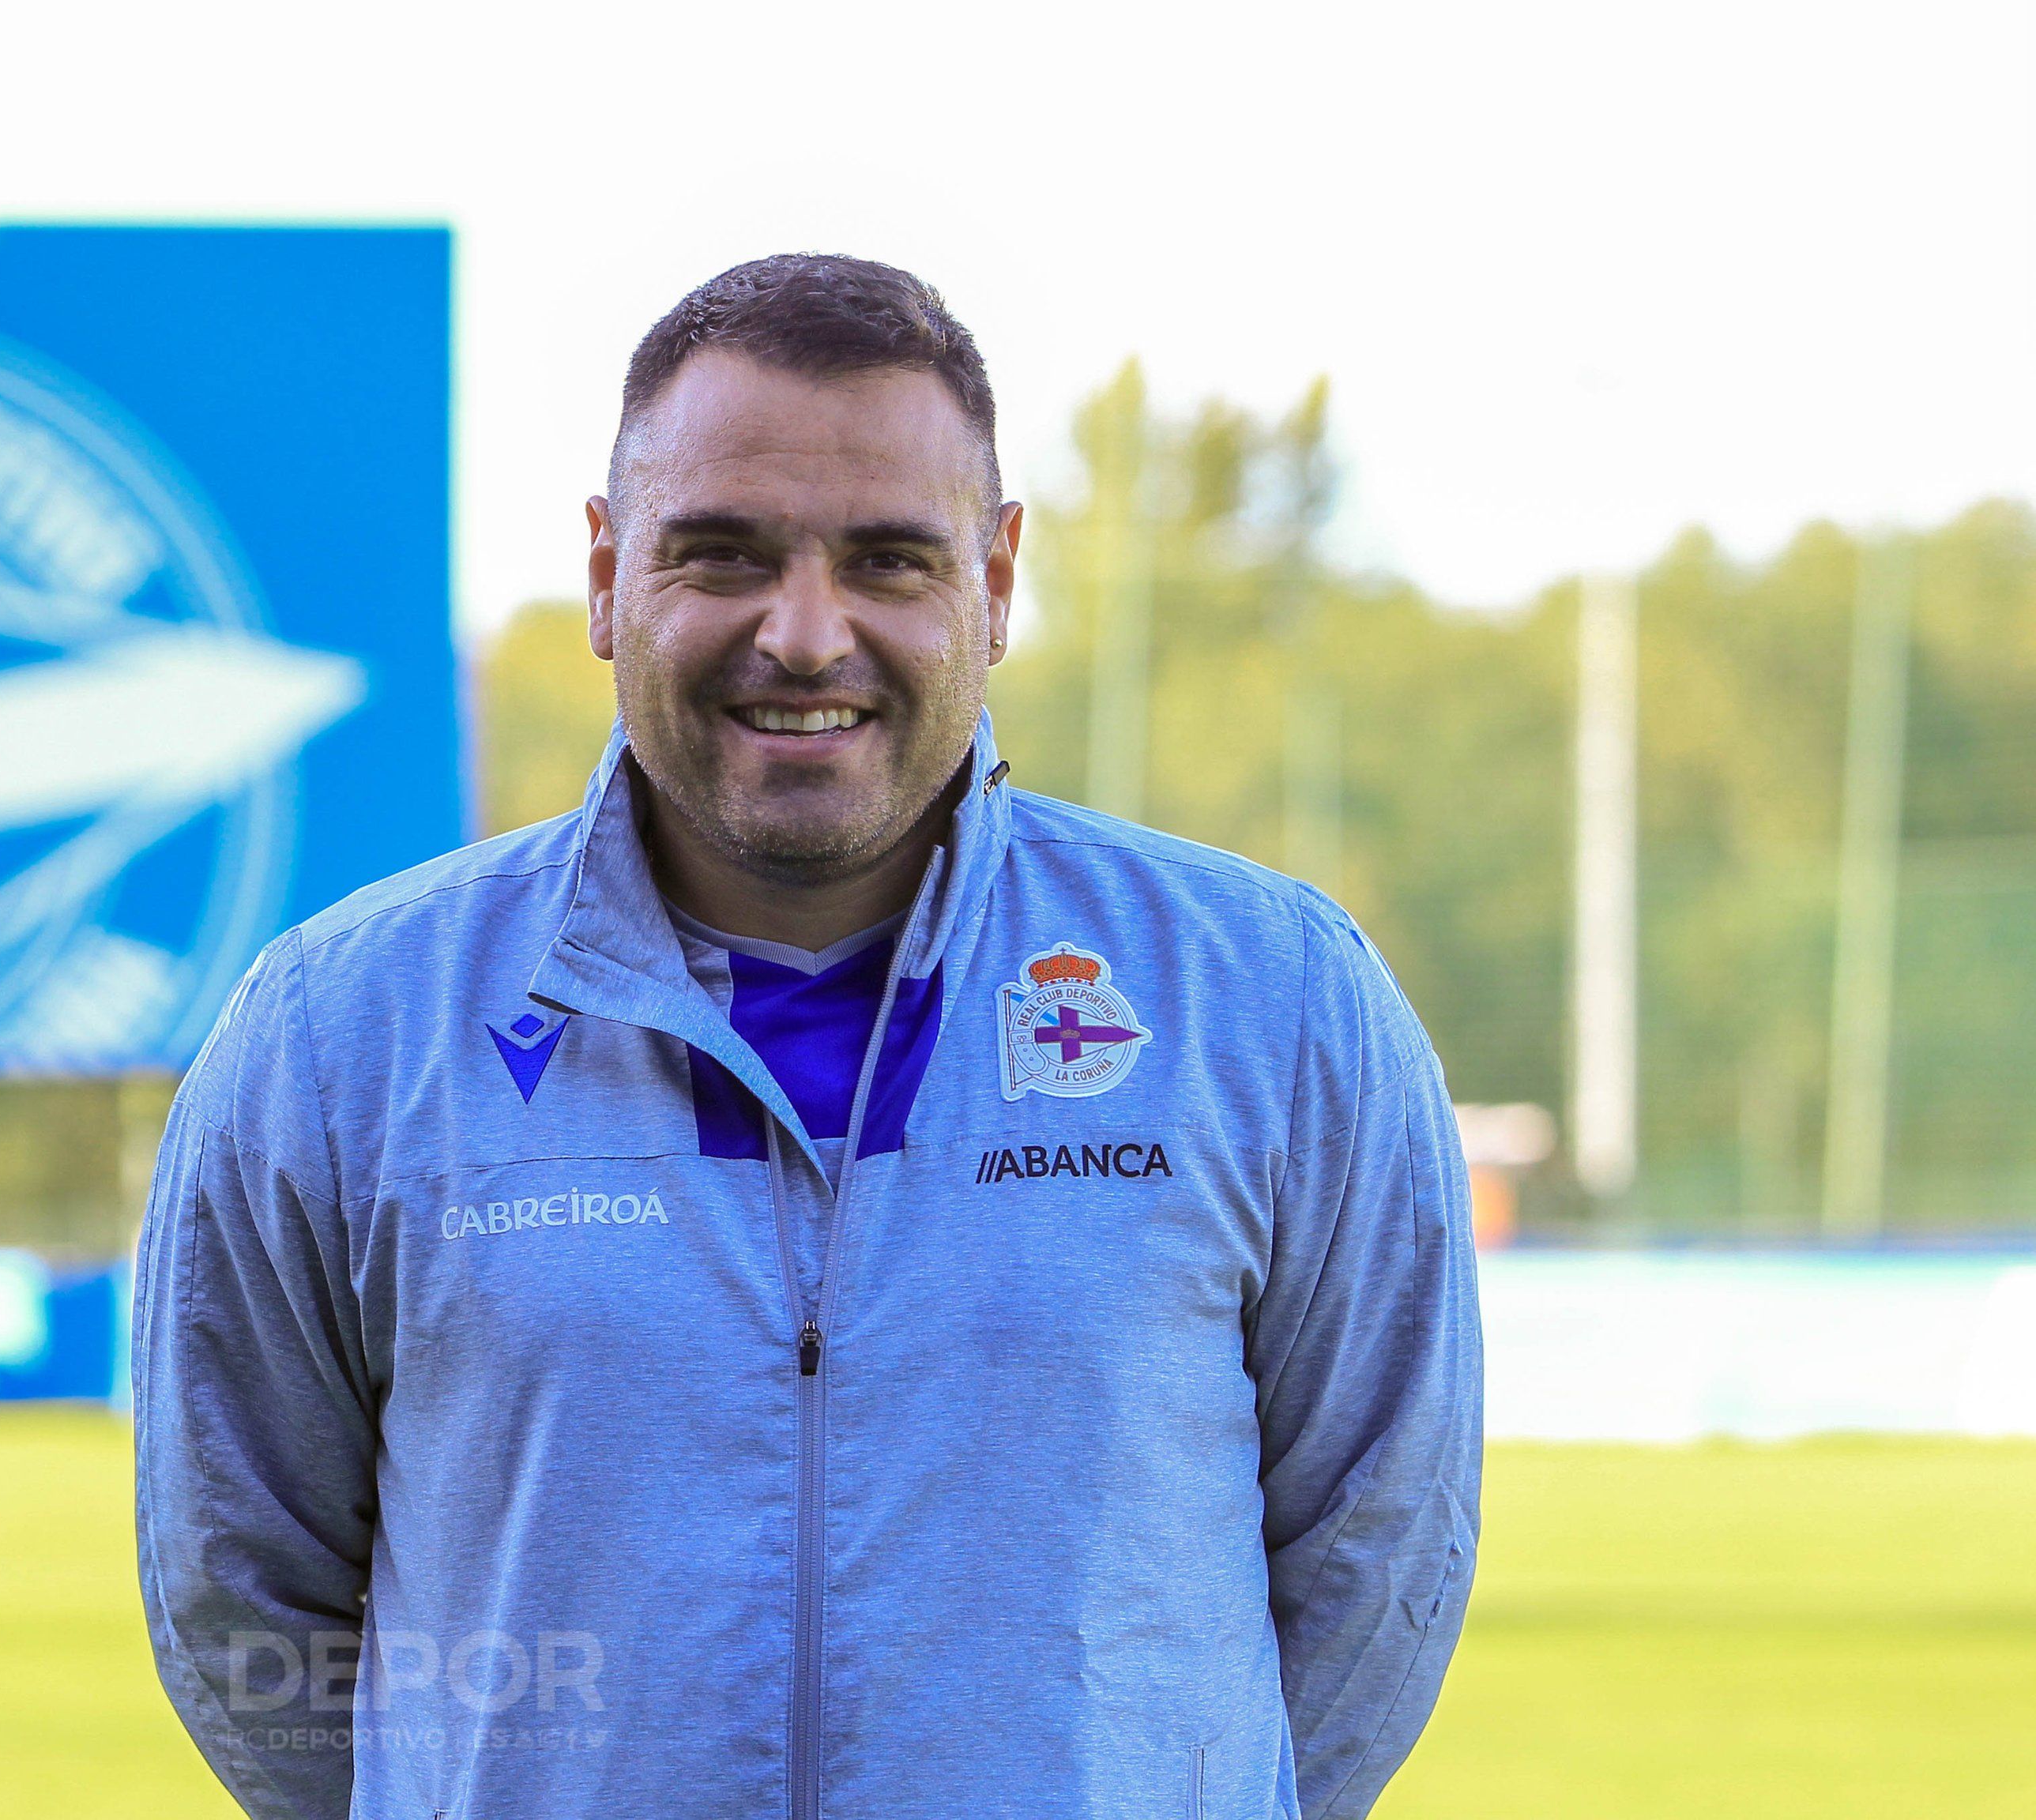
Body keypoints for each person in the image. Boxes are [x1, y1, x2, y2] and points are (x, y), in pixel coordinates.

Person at [134, 254, 1480, 1820]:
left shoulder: (1270, 1003)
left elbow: (1373, 1570)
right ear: (602, 571)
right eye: (720, 554)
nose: (801, 633)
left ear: (993, 580)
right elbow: (245, 1605)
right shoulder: (338, 1031)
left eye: (888, 561)